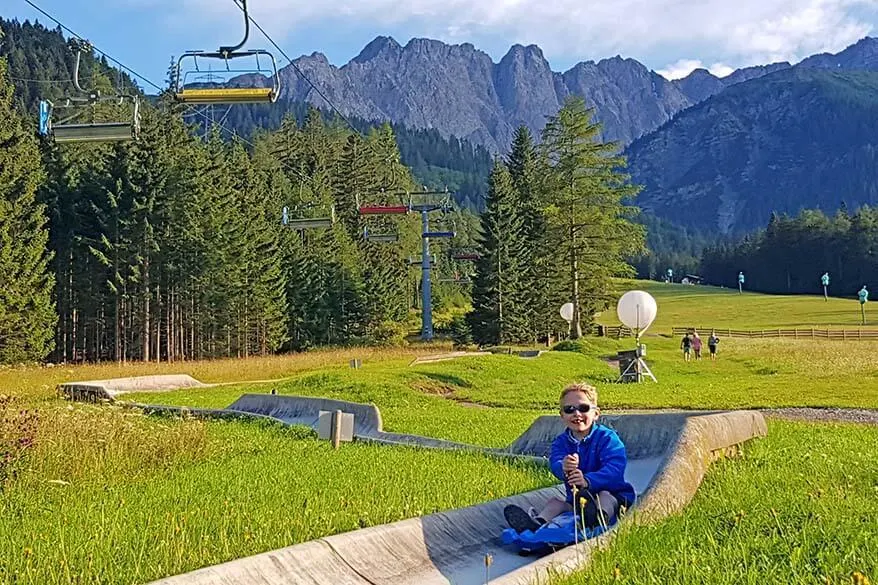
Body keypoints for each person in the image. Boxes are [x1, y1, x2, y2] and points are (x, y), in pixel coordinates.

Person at [503, 383, 636, 533]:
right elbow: (555, 463)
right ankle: (537, 525)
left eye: (583, 408)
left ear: (596, 414)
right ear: (562, 415)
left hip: (614, 496)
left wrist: (588, 480)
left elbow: (615, 468)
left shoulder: (607, 438)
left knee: (604, 497)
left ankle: (597, 520)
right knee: (555, 503)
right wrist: (563, 466)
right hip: (577, 501)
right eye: (569, 409)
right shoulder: (561, 442)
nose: (576, 414)